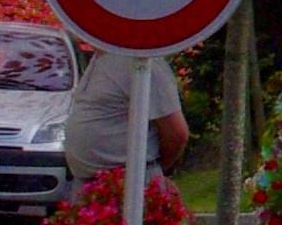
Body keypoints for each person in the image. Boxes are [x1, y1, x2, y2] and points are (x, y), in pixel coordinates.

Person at [64, 45, 189, 187]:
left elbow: (176, 133)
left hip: (129, 184)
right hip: (90, 185)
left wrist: (152, 172)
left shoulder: (142, 62)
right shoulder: (99, 59)